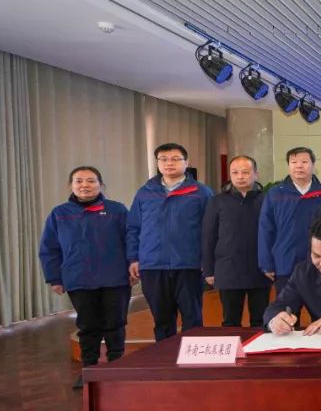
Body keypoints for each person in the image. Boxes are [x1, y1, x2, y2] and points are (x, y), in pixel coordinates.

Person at [40, 166, 133, 388]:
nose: (85, 185)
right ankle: (89, 370)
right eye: (79, 181)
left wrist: (133, 266)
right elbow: (50, 248)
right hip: (78, 279)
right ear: (71, 185)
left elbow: (131, 240)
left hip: (115, 278)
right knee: (88, 325)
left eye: (91, 181)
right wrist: (54, 278)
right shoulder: (59, 214)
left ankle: (116, 367)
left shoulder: (117, 210)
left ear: (101, 184)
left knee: (115, 323)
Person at [126, 143, 214, 340]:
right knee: (162, 321)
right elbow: (133, 227)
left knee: (192, 318)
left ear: (186, 162)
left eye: (175, 159)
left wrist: (207, 260)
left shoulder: (201, 192)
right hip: (153, 265)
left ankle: (192, 357)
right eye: (163, 159)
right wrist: (133, 258)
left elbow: (210, 230)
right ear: (157, 163)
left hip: (189, 264)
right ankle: (165, 357)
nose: (169, 163)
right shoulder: (145, 192)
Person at [201, 155, 271, 327]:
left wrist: (271, 265)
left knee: (260, 320)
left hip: (260, 269)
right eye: (235, 172)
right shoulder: (217, 201)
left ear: (256, 174)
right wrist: (208, 270)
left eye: (245, 172)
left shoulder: (267, 200)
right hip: (228, 269)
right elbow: (208, 236)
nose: (240, 176)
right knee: (230, 321)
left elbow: (273, 234)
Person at [258, 147, 321, 295]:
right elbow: (266, 229)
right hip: (285, 262)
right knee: (287, 308)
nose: (299, 166)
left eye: (304, 162)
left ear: (313, 165)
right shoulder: (275, 193)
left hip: (319, 265)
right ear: (288, 165)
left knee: (320, 308)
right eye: (294, 162)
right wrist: (266, 263)